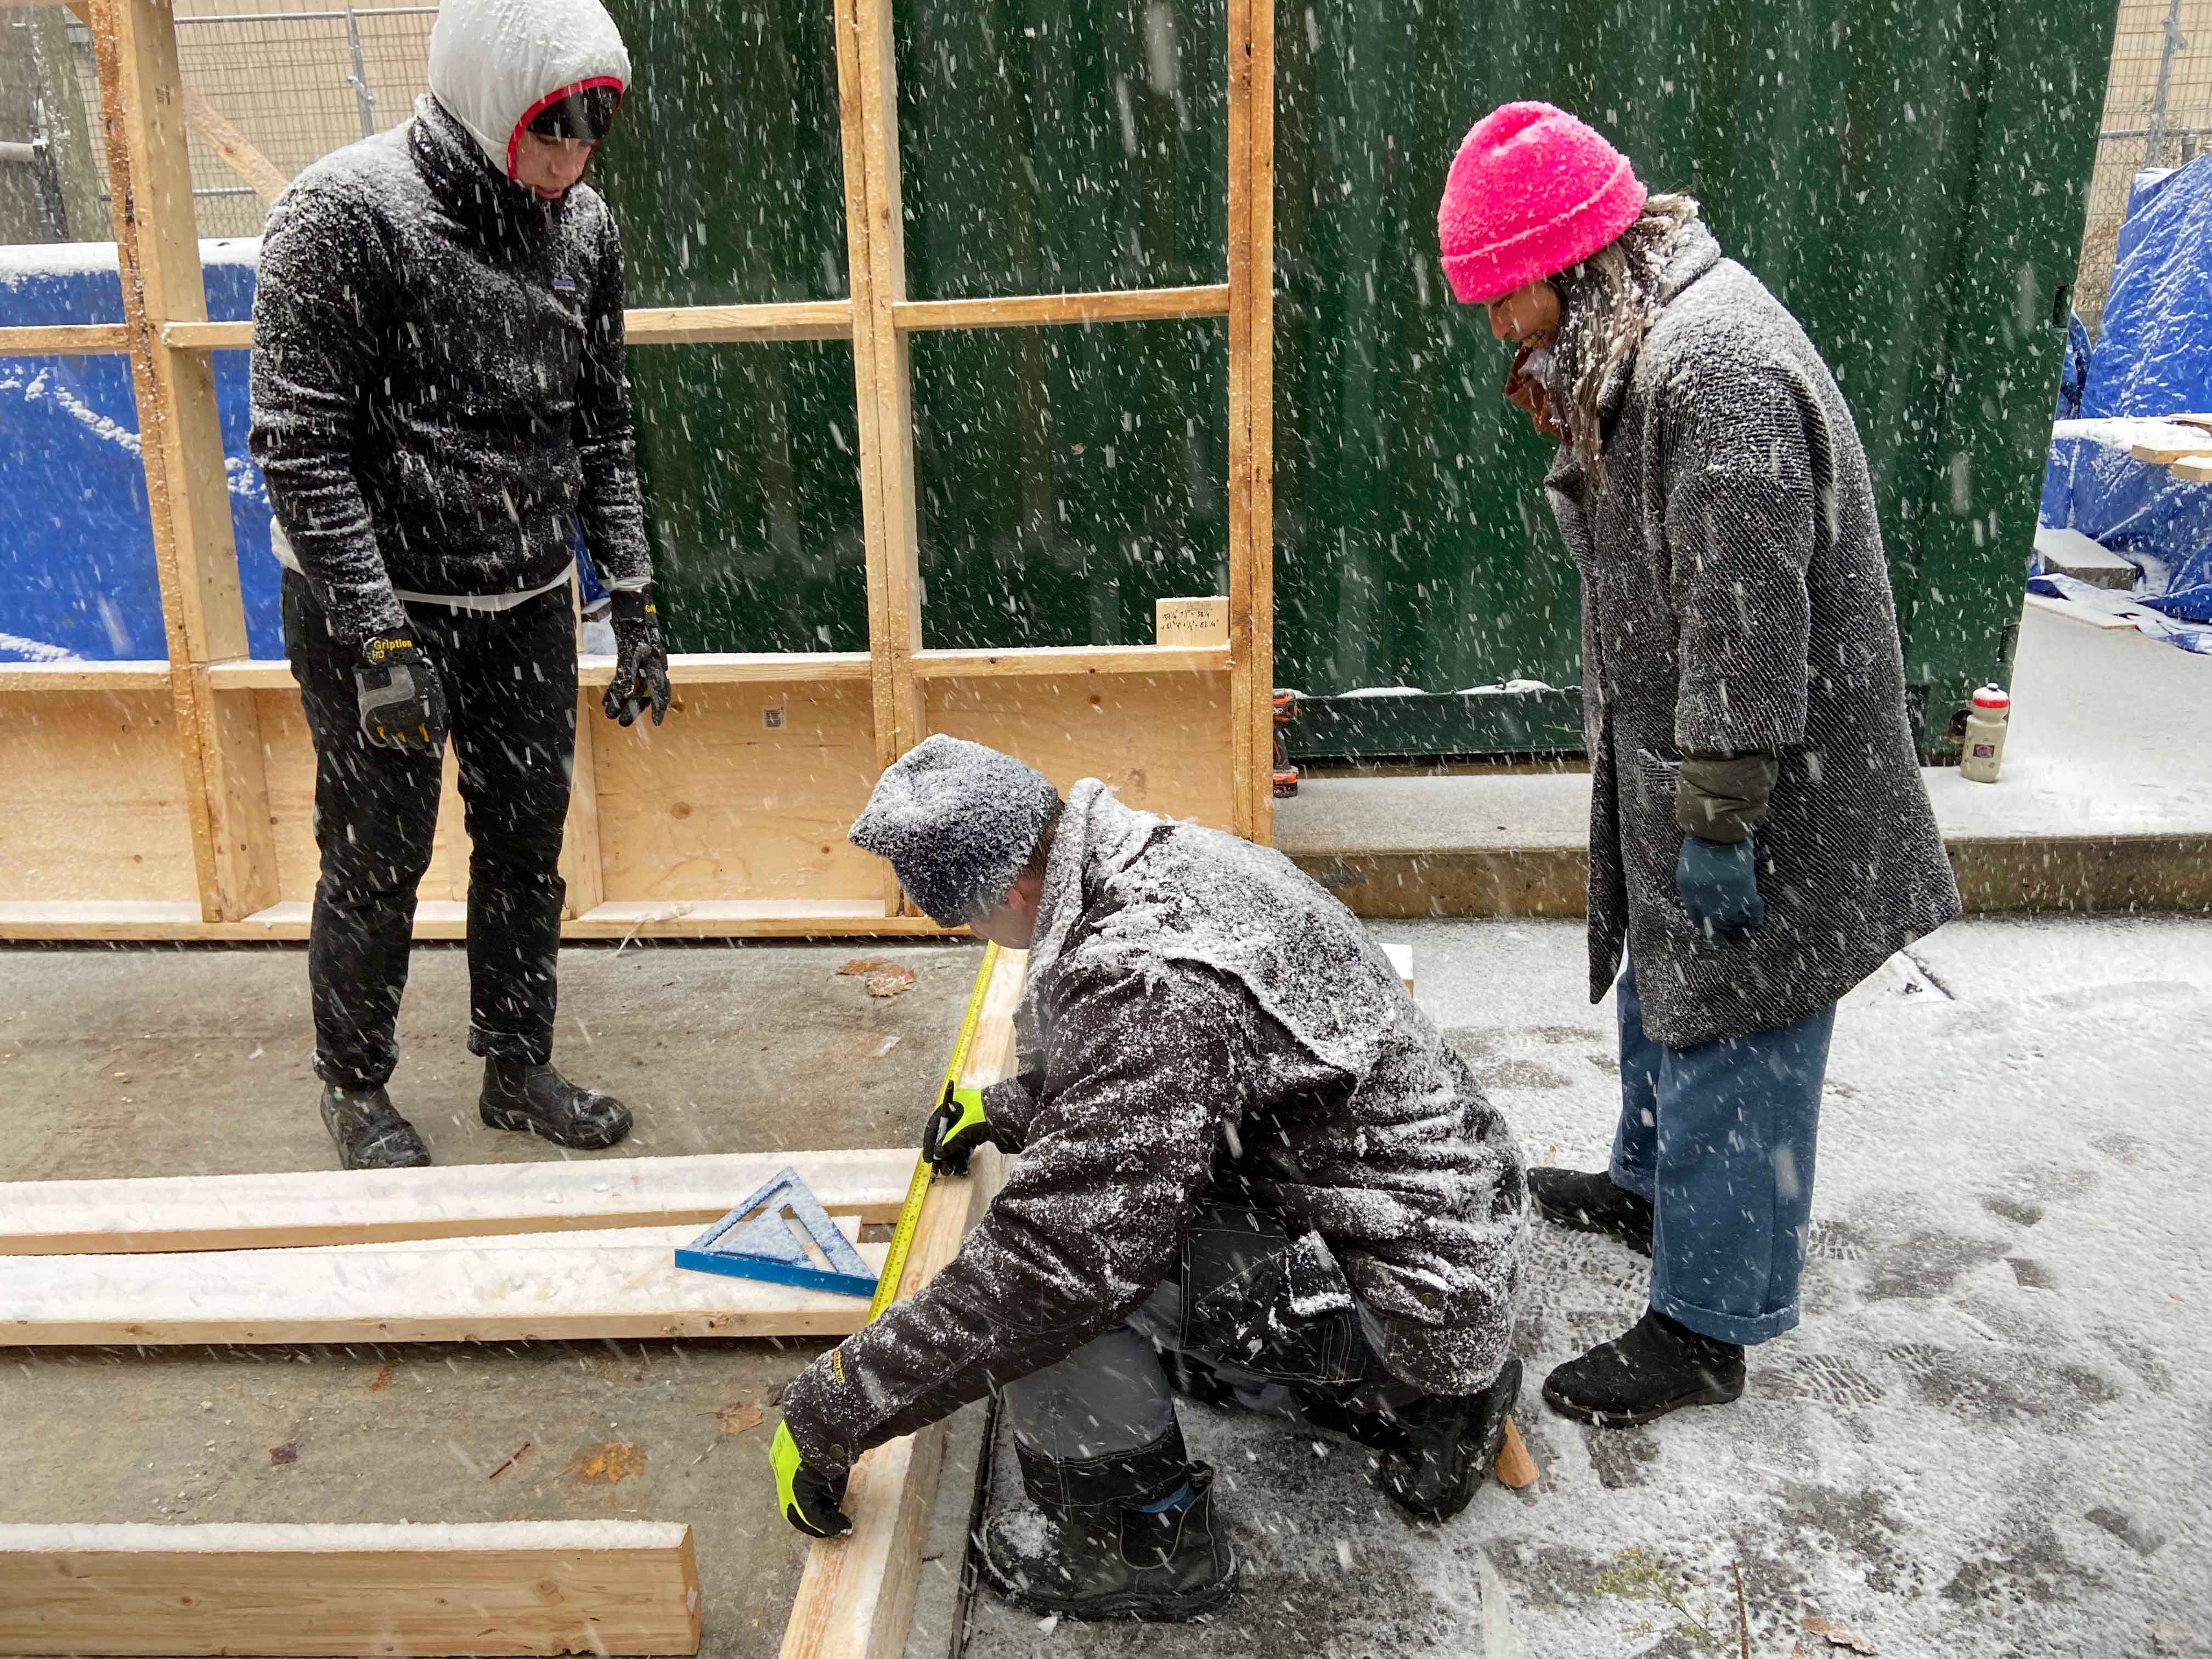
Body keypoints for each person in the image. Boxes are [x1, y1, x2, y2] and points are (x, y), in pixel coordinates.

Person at [1434, 103, 1961, 1425]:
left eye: (1503, 298)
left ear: (1569, 264)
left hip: (1769, 776)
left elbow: (1748, 617)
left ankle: (1706, 1326)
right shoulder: (1640, 339)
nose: (1497, 329)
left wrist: (1721, 815)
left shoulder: (1714, 368)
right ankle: (1650, 1188)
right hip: (1699, 752)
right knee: (1667, 989)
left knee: (1738, 1027)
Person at [766, 735, 1528, 1620]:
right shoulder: (1166, 862)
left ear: (1010, 891)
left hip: (1415, 1290)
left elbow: (1058, 1268)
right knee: (1097, 1213)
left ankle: (1141, 1543)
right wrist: (1014, 1106)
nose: (974, 938)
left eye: (963, 922)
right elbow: (1180, 1069)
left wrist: (835, 1407)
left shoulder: (1148, 978)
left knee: (1052, 1287)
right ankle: (1420, 1398)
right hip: (1445, 1229)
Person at [250, 0, 672, 1171]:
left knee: (526, 844)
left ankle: (516, 1066)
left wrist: (631, 593)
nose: (573, 164)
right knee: (378, 853)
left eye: (592, 137)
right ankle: (354, 1086)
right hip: (374, 602)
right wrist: (378, 637)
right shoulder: (344, 215)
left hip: (524, 598)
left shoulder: (584, 226)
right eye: (552, 133)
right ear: (493, 107)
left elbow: (602, 427)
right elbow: (299, 446)